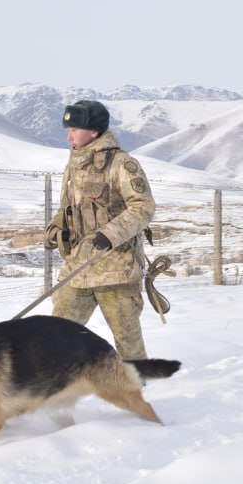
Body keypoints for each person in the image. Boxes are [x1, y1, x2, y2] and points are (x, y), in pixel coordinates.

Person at [44, 100, 156, 359]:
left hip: (115, 270)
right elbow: (71, 207)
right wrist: (56, 226)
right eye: (67, 128)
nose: (68, 135)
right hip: (77, 268)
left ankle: (136, 390)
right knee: (54, 336)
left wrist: (111, 234)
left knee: (128, 342)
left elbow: (143, 207)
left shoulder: (122, 164)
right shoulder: (74, 164)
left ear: (94, 131)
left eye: (74, 129)